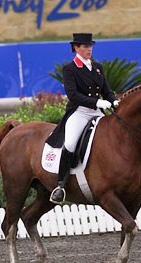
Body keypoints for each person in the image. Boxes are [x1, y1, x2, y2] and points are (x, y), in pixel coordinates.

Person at [47, 33, 119, 204]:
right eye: (85, 46)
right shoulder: (70, 69)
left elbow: (106, 91)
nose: (89, 49)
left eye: (90, 46)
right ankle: (60, 185)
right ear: (76, 48)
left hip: (96, 111)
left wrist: (113, 100)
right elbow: (73, 95)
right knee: (70, 144)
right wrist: (97, 101)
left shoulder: (98, 67)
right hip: (79, 112)